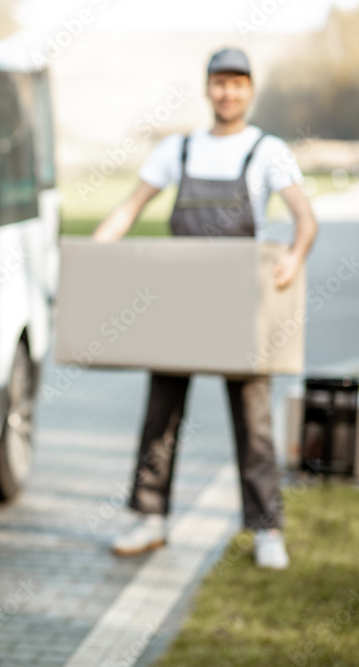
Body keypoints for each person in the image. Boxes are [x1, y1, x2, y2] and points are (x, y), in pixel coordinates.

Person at [93, 47, 317, 569]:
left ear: (250, 90)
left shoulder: (268, 150)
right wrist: (91, 262)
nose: (228, 92)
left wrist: (293, 260)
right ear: (208, 88)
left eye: (238, 83)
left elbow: (305, 222)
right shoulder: (182, 149)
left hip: (242, 304)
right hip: (179, 302)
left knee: (254, 419)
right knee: (161, 414)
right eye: (220, 82)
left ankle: (266, 529)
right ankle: (149, 517)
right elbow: (130, 208)